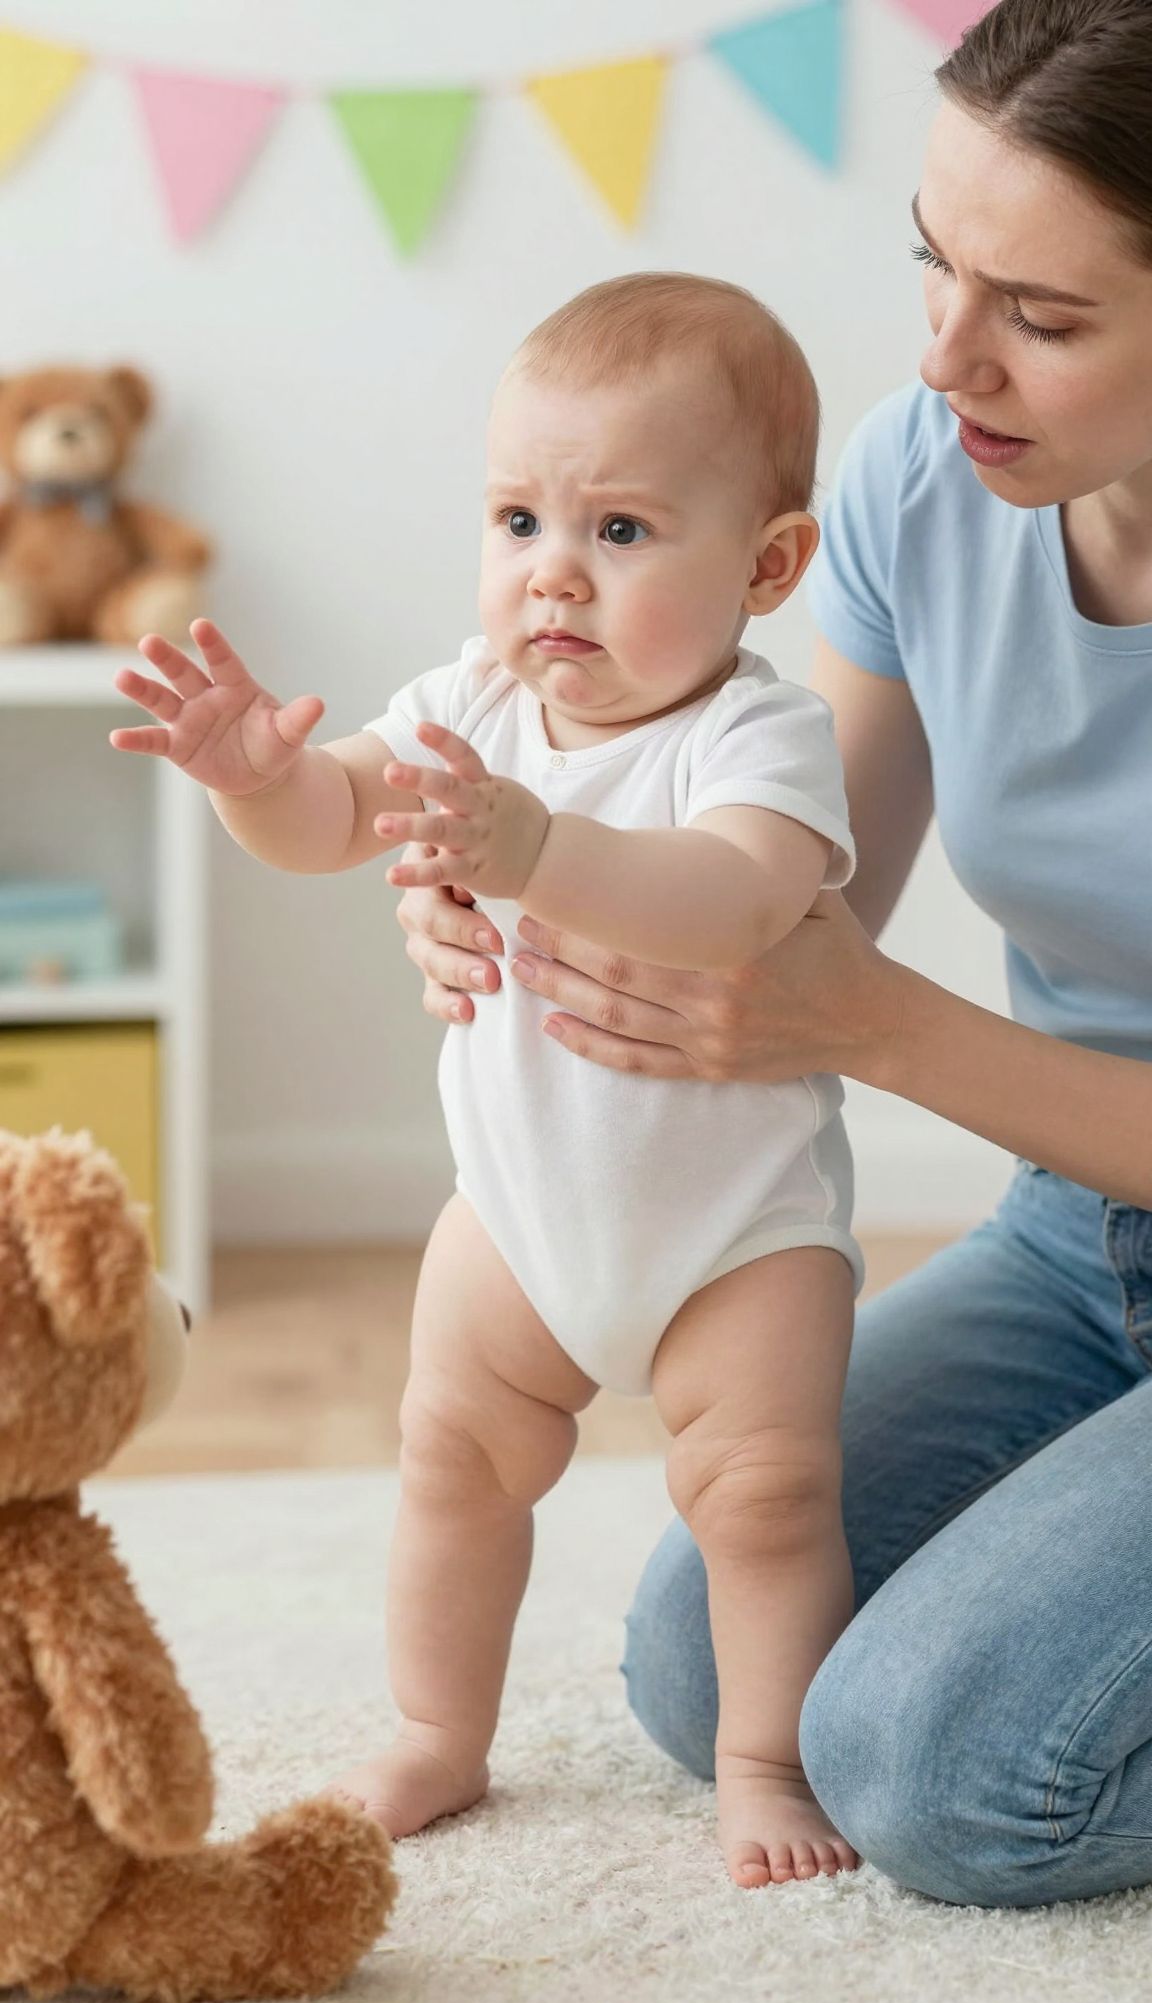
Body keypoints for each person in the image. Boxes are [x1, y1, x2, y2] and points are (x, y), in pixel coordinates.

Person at [396, 0, 1152, 1907]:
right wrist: (513, 889)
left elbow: (845, 995)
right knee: (708, 1667)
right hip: (1080, 1239)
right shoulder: (924, 483)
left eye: (1043, 319)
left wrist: (870, 1027)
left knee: (960, 1772)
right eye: (935, 267)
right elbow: (798, 900)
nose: (949, 360)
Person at [108, 272, 873, 1889]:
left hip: (733, 1240)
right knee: (449, 1459)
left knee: (769, 1496)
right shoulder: (473, 706)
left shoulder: (758, 736)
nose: (551, 579)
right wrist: (260, 778)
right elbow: (337, 820)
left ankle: (762, 1760)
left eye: (619, 532)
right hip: (516, 1217)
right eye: (520, 518)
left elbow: (740, 902)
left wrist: (538, 850)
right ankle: (438, 1734)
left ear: (767, 563)